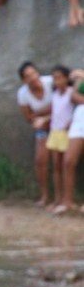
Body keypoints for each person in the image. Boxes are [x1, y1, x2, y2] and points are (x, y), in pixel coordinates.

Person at [16, 61, 53, 206]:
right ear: (24, 80)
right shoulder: (23, 93)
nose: (32, 77)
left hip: (62, 124)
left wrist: (42, 114)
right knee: (40, 160)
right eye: (28, 76)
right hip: (42, 127)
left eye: (33, 73)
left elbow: (61, 103)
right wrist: (43, 118)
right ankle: (44, 195)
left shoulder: (50, 82)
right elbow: (29, 118)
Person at [46, 65, 74, 213]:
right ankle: (58, 198)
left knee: (65, 165)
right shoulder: (55, 94)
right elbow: (53, 111)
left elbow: (75, 110)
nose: (57, 81)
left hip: (66, 133)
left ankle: (66, 199)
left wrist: (69, 125)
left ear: (66, 78)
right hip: (54, 132)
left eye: (60, 78)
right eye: (54, 78)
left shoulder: (71, 93)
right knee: (56, 166)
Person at [57, 71, 84, 213]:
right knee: (69, 161)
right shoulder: (79, 75)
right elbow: (73, 97)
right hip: (79, 120)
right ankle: (67, 202)